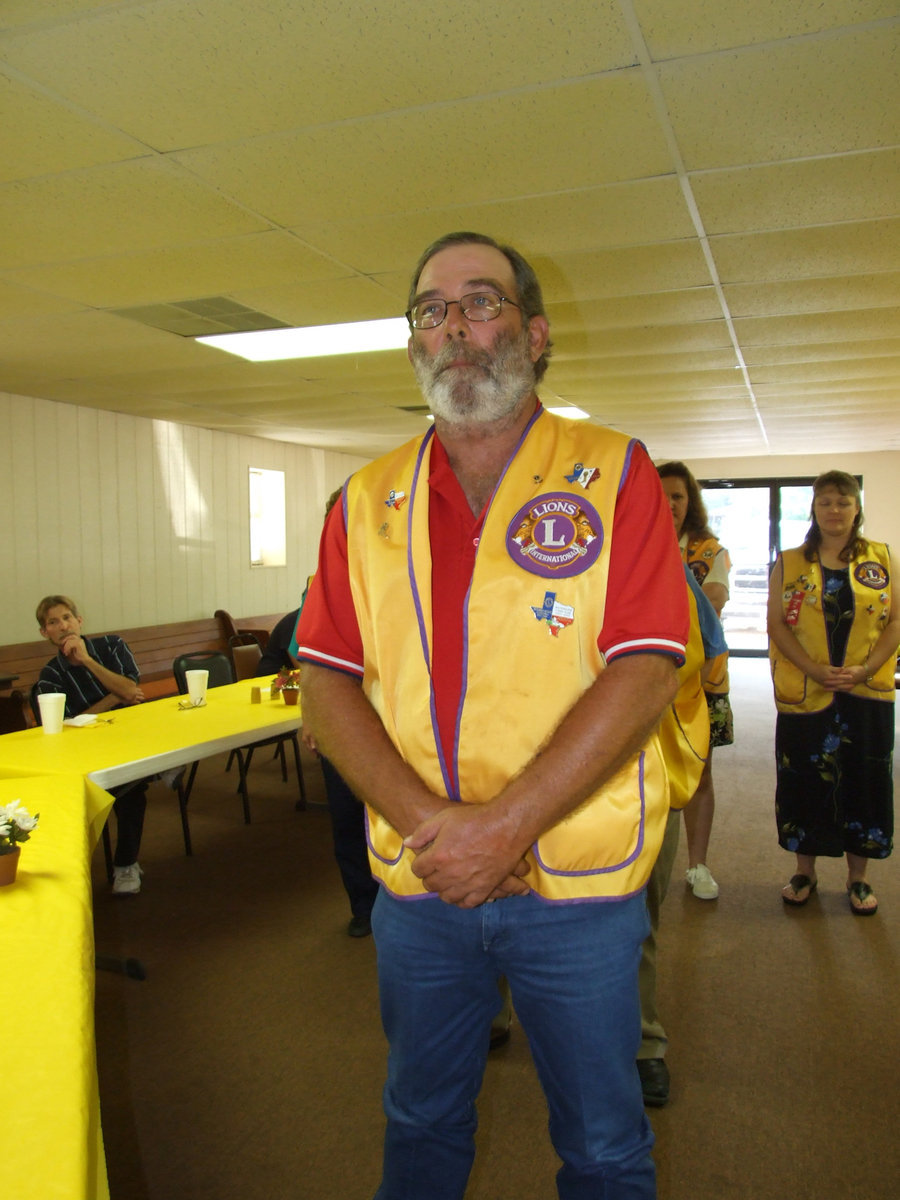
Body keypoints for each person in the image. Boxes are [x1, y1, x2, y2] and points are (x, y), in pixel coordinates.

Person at [297, 231, 688, 1200]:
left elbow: (645, 669)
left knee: (603, 1147)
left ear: (536, 333)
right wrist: (447, 835)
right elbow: (326, 680)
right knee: (419, 1125)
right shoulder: (364, 501)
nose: (455, 328)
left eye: (481, 302)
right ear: (414, 344)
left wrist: (505, 826)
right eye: (431, 310)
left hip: (581, 890)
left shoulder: (617, 471)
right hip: (423, 887)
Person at [767, 471, 899, 915]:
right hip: (808, 690)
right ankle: (805, 870)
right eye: (825, 502)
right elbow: (777, 626)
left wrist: (867, 667)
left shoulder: (881, 558)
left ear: (857, 507)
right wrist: (815, 669)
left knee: (866, 778)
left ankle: (858, 877)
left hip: (866, 692)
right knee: (804, 777)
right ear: (813, 509)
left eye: (843, 502)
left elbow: (895, 621)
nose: (835, 510)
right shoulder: (788, 562)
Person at [638, 567, 726, 1107]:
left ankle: (643, 1042)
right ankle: (493, 1011)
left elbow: (703, 646)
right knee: (505, 890)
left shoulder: (662, 564)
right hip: (517, 763)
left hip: (640, 761)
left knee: (636, 909)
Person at [35, 595, 148, 894]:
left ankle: (125, 865)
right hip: (85, 753)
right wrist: (116, 697)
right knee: (120, 788)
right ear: (45, 633)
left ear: (79, 620)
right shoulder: (51, 675)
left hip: (131, 738)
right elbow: (62, 727)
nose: (63, 626)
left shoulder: (112, 646)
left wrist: (87, 659)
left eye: (67, 618)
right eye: (53, 622)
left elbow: (131, 688)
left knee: (133, 784)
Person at [657, 461, 733, 900]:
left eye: (678, 496)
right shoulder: (625, 538)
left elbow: (714, 602)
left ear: (691, 502)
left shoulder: (707, 550)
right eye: (661, 493)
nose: (669, 503)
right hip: (643, 686)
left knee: (699, 773)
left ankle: (697, 864)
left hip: (700, 683)